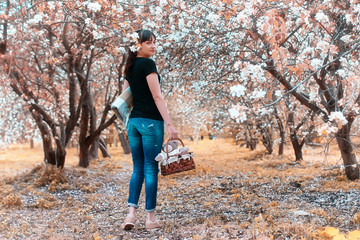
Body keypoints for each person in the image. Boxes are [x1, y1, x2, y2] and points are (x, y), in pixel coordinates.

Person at [121, 30, 178, 230]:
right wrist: (170, 124)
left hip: (134, 123)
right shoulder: (148, 64)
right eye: (148, 43)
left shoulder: (129, 67)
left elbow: (124, 97)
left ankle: (130, 215)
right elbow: (157, 97)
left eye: (154, 42)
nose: (153, 46)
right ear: (138, 45)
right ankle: (151, 219)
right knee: (151, 168)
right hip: (151, 122)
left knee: (137, 169)